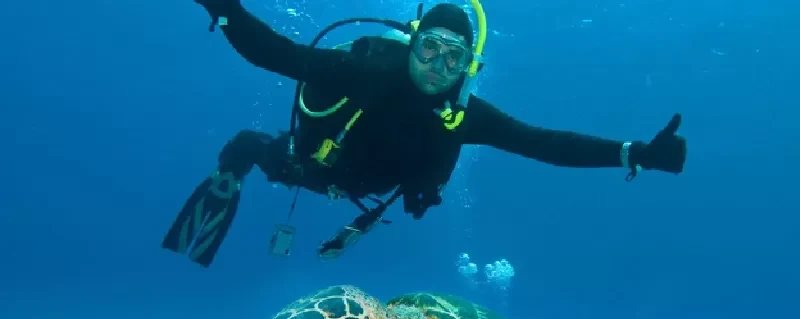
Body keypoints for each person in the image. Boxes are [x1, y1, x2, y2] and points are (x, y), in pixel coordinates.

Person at [162, 0, 687, 267]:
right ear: (412, 44)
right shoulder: (362, 70)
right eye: (430, 48)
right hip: (313, 167)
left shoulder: (465, 113)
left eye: (454, 57)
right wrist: (227, 12)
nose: (438, 66)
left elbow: (544, 144)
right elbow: (274, 53)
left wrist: (634, 153)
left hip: (366, 192)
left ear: (469, 65)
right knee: (262, 149)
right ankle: (236, 160)